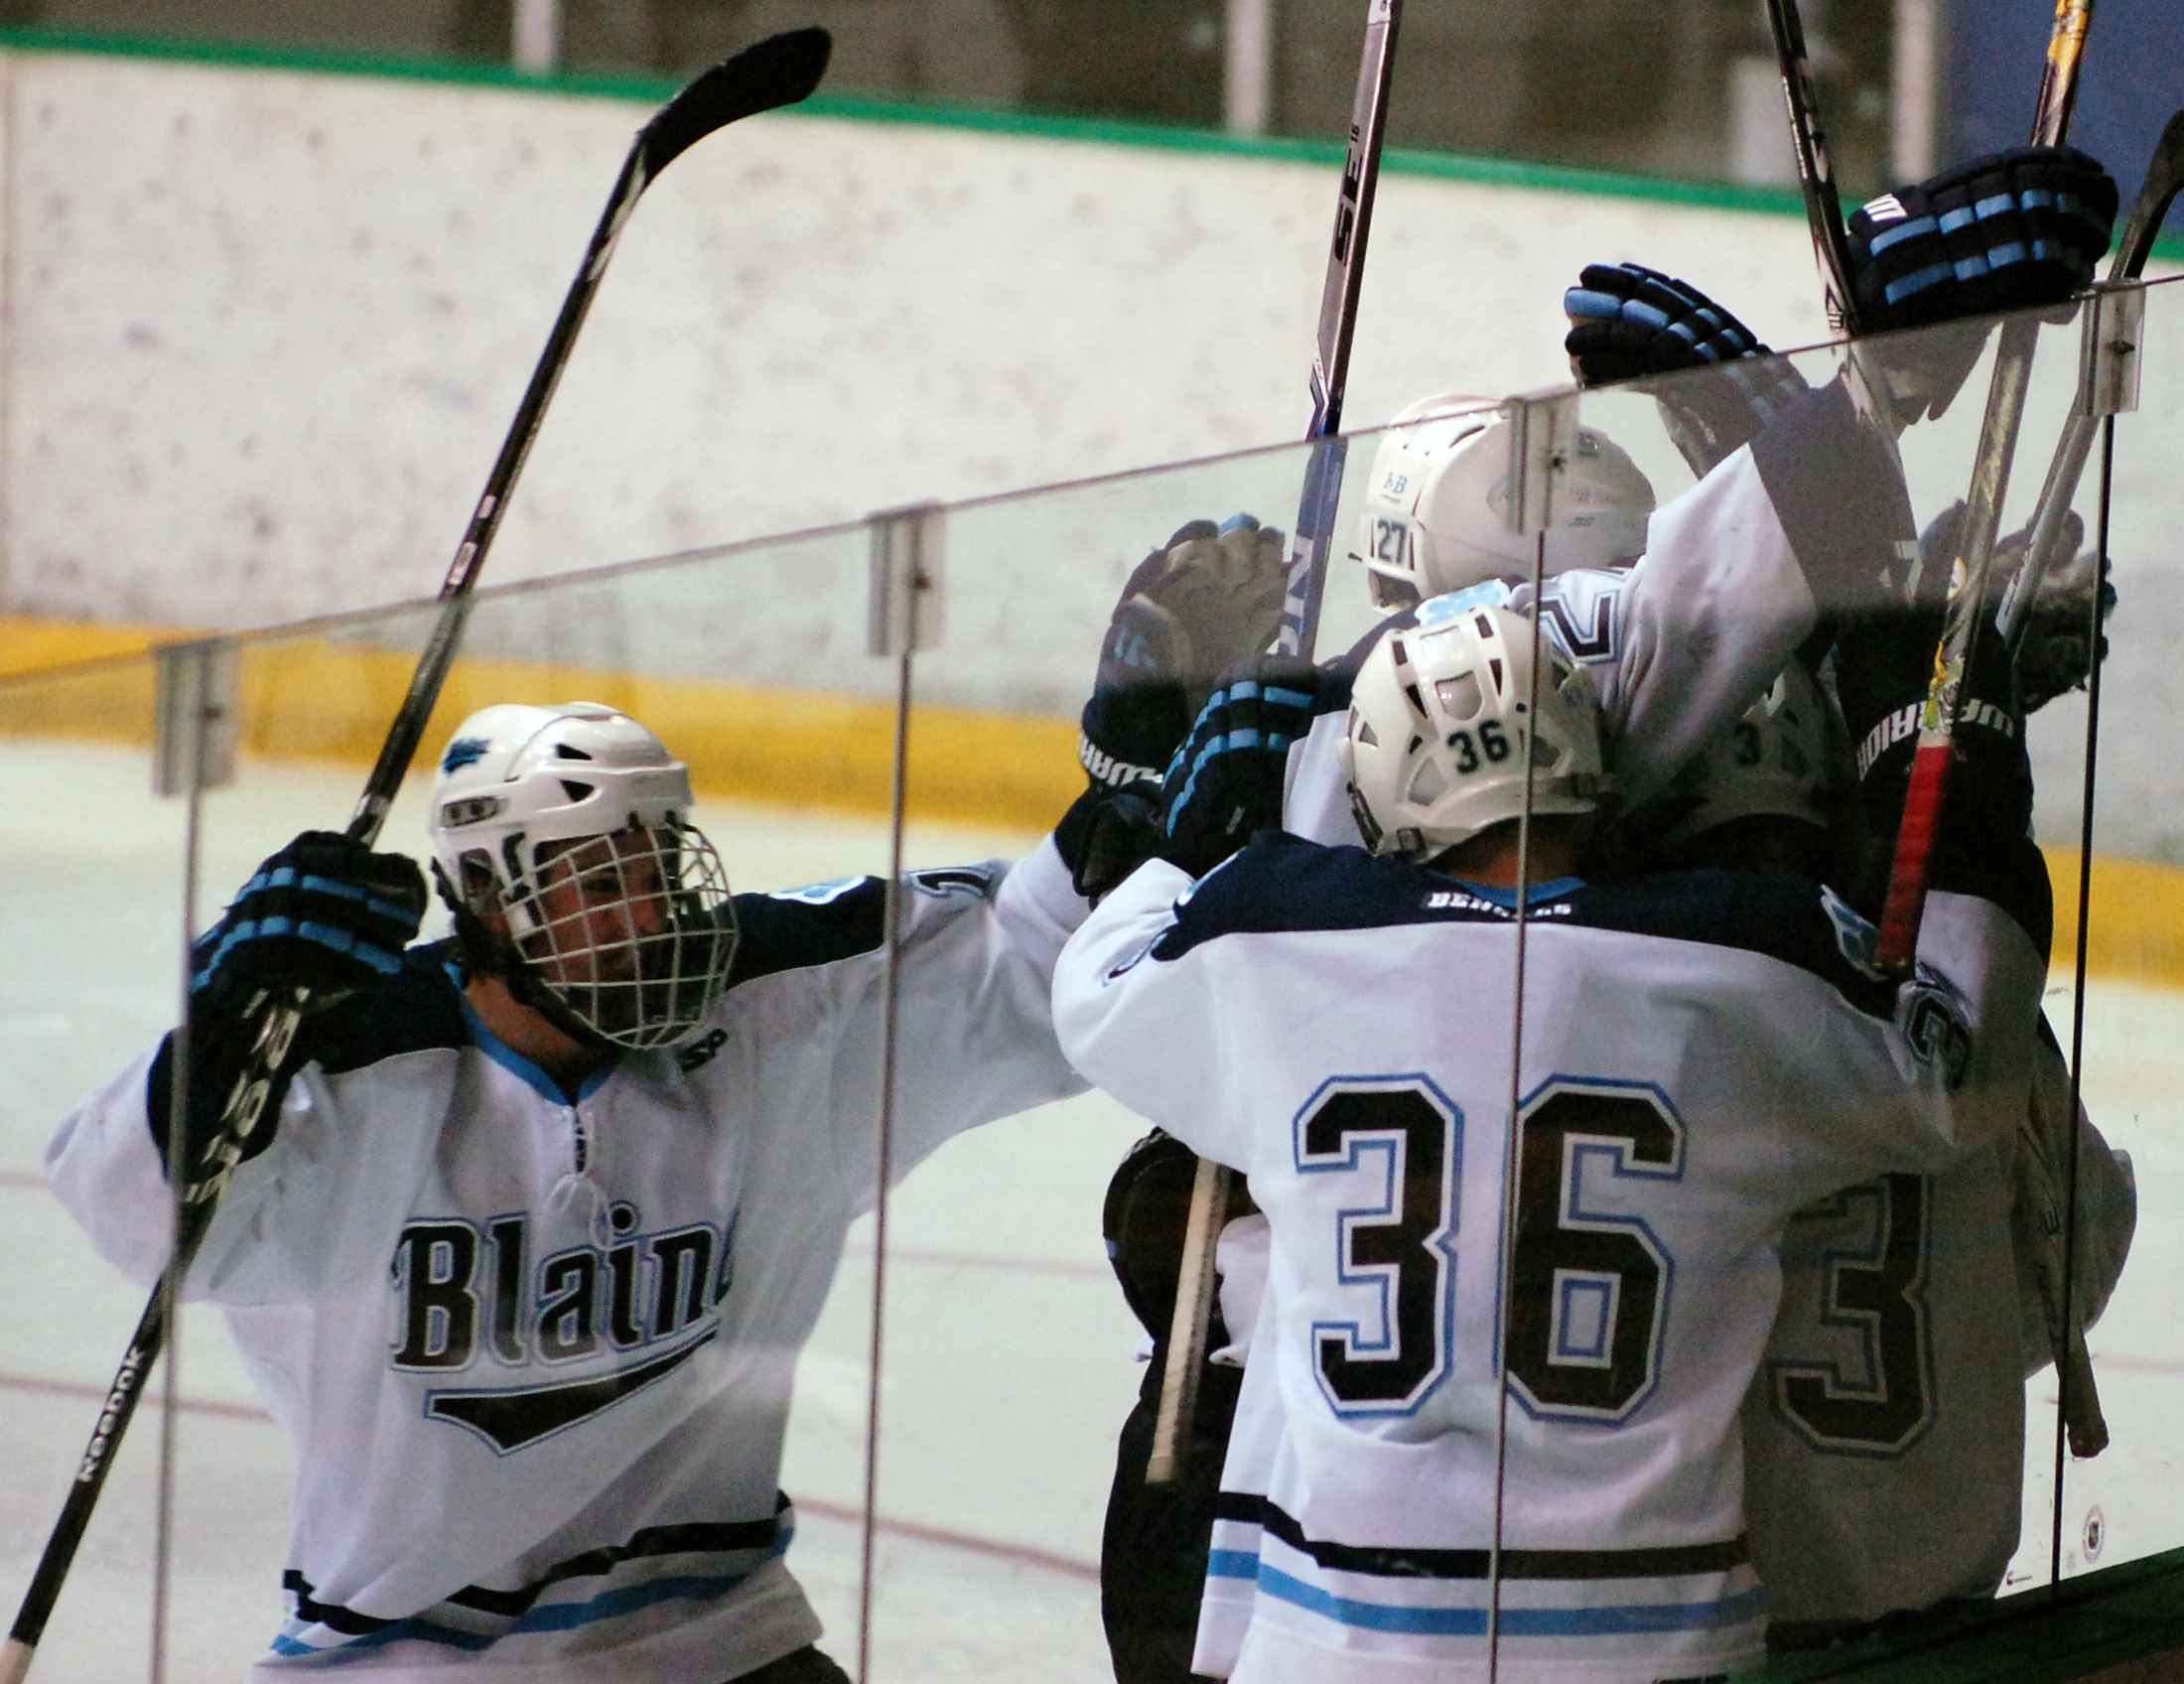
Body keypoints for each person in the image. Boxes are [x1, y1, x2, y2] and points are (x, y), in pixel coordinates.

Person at [42, 520, 1288, 1683]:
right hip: (402, 1657)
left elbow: (1030, 966)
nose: (645, 914)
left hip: (716, 1636)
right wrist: (228, 1008)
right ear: (486, 904)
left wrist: (1132, 785)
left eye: (654, 863)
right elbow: (137, 1215)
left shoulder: (773, 1011)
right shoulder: (363, 1068)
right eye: (593, 882)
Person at [1055, 593, 2048, 1682]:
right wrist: (1953, 766)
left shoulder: (1279, 935)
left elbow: (1097, 986)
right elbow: (1962, 1056)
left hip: (1335, 1637)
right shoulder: (1742, 965)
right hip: (1640, 1643)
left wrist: (1199, 831)